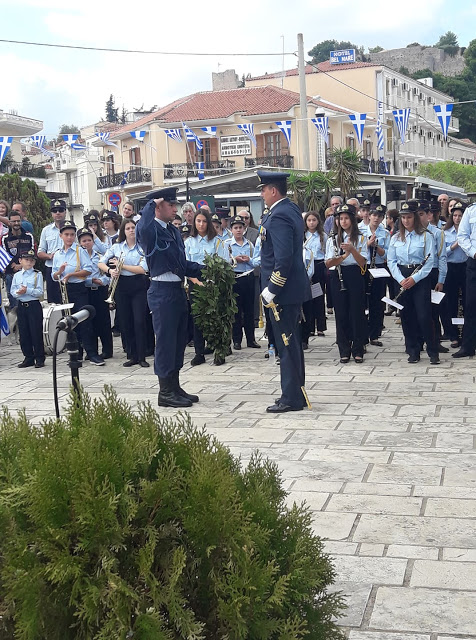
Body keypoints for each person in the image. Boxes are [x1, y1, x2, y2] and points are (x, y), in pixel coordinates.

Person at [136, 187, 203, 408]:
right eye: (170, 204)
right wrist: (151, 202)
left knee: (178, 340)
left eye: (175, 205)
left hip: (176, 289)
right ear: (157, 207)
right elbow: (143, 226)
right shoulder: (150, 229)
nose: (175, 209)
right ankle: (165, 391)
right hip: (161, 290)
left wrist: (206, 270)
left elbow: (181, 264)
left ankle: (174, 385)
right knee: (165, 342)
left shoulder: (173, 231)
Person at [258, 170, 311, 413]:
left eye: (263, 189)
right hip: (290, 290)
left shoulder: (279, 215)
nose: (261, 194)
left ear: (273, 191)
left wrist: (272, 289)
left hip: (283, 291)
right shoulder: (289, 209)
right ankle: (293, 392)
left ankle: (292, 397)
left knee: (286, 344)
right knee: (290, 344)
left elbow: (283, 259)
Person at [387, 201, 439, 364]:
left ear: (415, 217)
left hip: (420, 278)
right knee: (406, 315)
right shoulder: (396, 237)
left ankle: (432, 350)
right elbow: (391, 260)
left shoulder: (426, 235)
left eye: (409, 217)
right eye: (403, 218)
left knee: (424, 315)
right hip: (401, 276)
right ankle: (413, 349)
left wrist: (414, 279)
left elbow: (430, 261)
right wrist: (401, 279)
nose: (406, 221)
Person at [51, 220, 105, 366]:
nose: (69, 237)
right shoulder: (57, 254)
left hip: (78, 289)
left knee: (84, 321)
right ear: (61, 235)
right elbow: (54, 276)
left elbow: (87, 270)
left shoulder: (79, 250)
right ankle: (76, 353)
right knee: (69, 322)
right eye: (66, 234)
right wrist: (60, 272)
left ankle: (92, 353)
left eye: (72, 235)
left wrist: (71, 275)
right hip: (64, 290)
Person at [99, 219, 149, 368]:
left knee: (139, 321)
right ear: (123, 231)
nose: (131, 230)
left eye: (133, 227)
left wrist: (121, 266)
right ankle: (132, 355)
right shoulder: (116, 247)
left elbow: (143, 269)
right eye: (128, 228)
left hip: (139, 285)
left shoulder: (142, 248)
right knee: (126, 322)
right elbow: (100, 262)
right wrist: (110, 270)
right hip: (122, 286)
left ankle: (142, 356)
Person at [325, 204, 368, 363]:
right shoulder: (333, 239)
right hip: (338, 274)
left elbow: (363, 262)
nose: (343, 222)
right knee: (341, 313)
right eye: (340, 218)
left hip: (355, 274)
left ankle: (358, 349)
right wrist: (343, 256)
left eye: (346, 218)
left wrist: (352, 249)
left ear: (352, 219)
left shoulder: (361, 237)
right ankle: (344, 349)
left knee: (356, 312)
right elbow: (329, 263)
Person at [184, 208, 226, 366]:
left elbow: (223, 264)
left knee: (216, 317)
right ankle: (199, 353)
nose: (201, 224)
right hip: (196, 282)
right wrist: (197, 282)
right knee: (198, 319)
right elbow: (185, 266)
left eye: (204, 221)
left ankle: (219, 351)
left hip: (214, 280)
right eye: (198, 221)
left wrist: (212, 282)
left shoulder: (217, 241)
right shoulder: (189, 242)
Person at [224, 214, 260, 350]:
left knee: (249, 309)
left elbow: (256, 261)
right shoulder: (227, 244)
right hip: (234, 277)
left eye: (240, 227)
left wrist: (248, 260)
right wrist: (235, 260)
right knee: (236, 311)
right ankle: (237, 340)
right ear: (231, 229)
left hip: (248, 277)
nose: (238, 230)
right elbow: (223, 261)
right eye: (235, 228)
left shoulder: (249, 244)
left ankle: (251, 339)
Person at [77, 227, 113, 360]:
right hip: (86, 291)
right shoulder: (78, 258)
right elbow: (78, 276)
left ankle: (107, 350)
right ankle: (92, 351)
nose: (87, 243)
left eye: (89, 240)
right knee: (88, 321)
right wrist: (90, 280)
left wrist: (101, 281)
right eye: (83, 241)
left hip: (100, 290)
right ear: (80, 243)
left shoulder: (99, 257)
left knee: (103, 320)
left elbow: (107, 275)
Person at [418, 200, 447, 353]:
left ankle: (435, 342)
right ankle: (417, 341)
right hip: (417, 273)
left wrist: (441, 279)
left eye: (422, 214)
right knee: (417, 311)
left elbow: (442, 257)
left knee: (434, 311)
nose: (419, 217)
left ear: (429, 215)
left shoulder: (436, 233)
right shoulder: (413, 233)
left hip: (433, 273)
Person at [10, 249, 45, 368]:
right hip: (22, 305)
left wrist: (28, 290)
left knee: (35, 332)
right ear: (20, 261)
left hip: (33, 305)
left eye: (31, 260)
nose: (29, 262)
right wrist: (19, 293)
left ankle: (39, 357)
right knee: (24, 333)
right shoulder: (17, 275)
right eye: (26, 260)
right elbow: (12, 291)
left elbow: (39, 292)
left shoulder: (37, 274)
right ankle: (28, 357)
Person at [441, 202, 467, 348]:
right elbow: (443, 252)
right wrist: (454, 245)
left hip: (465, 266)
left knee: (466, 301)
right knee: (450, 302)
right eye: (455, 215)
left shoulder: (468, 232)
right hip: (450, 267)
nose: (457, 218)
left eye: (460, 216)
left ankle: (466, 333)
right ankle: (453, 335)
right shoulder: (445, 232)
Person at [453, 201, 476, 358]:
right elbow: (462, 236)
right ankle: (468, 346)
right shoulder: (471, 210)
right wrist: (474, 253)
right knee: (471, 304)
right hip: (474, 261)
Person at [301, 211, 327, 348]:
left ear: (318, 221)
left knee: (318, 297)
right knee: (307, 300)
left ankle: (321, 326)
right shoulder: (302, 236)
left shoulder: (323, 236)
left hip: (318, 266)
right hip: (305, 267)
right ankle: (309, 327)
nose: (311, 223)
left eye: (314, 220)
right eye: (309, 220)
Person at [366, 205, 390, 347]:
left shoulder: (386, 234)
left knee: (377, 301)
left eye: (379, 216)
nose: (376, 218)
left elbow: (387, 255)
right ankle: (362, 333)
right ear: (369, 215)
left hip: (379, 268)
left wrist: (376, 247)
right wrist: (367, 244)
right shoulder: (360, 230)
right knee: (363, 301)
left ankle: (374, 334)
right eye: (374, 215)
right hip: (363, 266)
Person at [2, 211, 35, 309]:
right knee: (14, 304)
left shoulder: (29, 236)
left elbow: (33, 252)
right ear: (9, 222)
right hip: (11, 274)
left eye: (18, 221)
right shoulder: (4, 238)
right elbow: (4, 254)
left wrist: (21, 265)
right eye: (13, 221)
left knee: (29, 302)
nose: (16, 223)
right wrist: (14, 266)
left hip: (27, 273)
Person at [37, 199, 67, 303]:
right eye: (55, 211)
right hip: (51, 267)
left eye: (60, 210)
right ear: (51, 214)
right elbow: (40, 252)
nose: (58, 213)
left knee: (70, 299)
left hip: (69, 268)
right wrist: (50, 256)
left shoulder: (73, 229)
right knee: (53, 301)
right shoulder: (46, 230)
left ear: (65, 212)